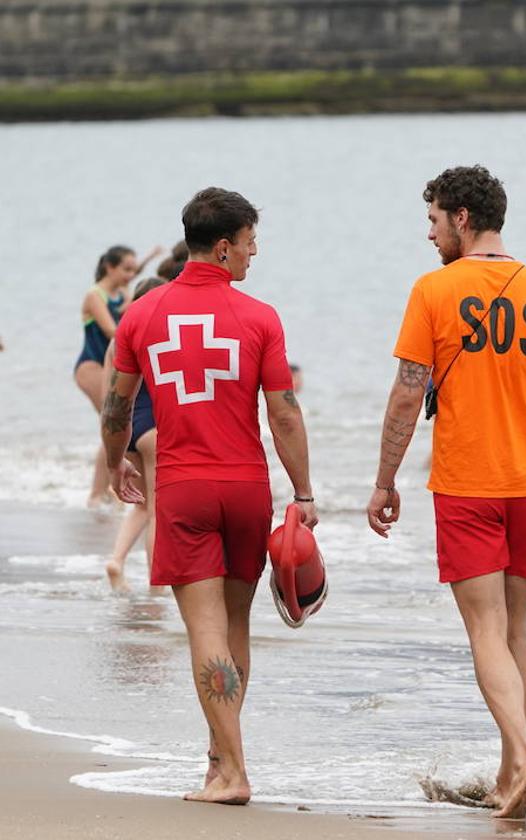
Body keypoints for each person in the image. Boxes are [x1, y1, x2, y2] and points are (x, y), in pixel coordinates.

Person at [366, 165, 526, 820]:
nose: (430, 234)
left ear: (462, 218)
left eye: (434, 221)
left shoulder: (434, 291)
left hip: (467, 484)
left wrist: (385, 480)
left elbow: (407, 392)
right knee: (518, 632)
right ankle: (510, 777)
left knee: (485, 630)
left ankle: (525, 759)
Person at [101, 187, 316, 805]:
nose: (253, 255)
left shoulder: (142, 314)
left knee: (205, 631)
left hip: (186, 487)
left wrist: (118, 465)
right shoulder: (260, 317)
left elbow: (117, 409)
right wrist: (303, 491)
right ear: (223, 247)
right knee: (236, 626)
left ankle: (234, 771)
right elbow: (286, 415)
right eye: (250, 244)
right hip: (246, 487)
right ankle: (219, 761)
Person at [103, 277, 170, 593]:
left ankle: (116, 560)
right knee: (158, 510)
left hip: (126, 429)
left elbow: (110, 397)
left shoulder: (120, 338)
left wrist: (110, 450)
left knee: (141, 506)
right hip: (155, 426)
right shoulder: (160, 335)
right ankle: (156, 586)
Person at [76, 245, 138, 506]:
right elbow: (114, 332)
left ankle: (110, 493)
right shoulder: (95, 295)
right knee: (111, 424)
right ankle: (96, 494)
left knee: (119, 425)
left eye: (134, 270)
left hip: (112, 365)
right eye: (126, 269)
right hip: (91, 366)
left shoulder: (122, 291)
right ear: (109, 267)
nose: (130, 275)